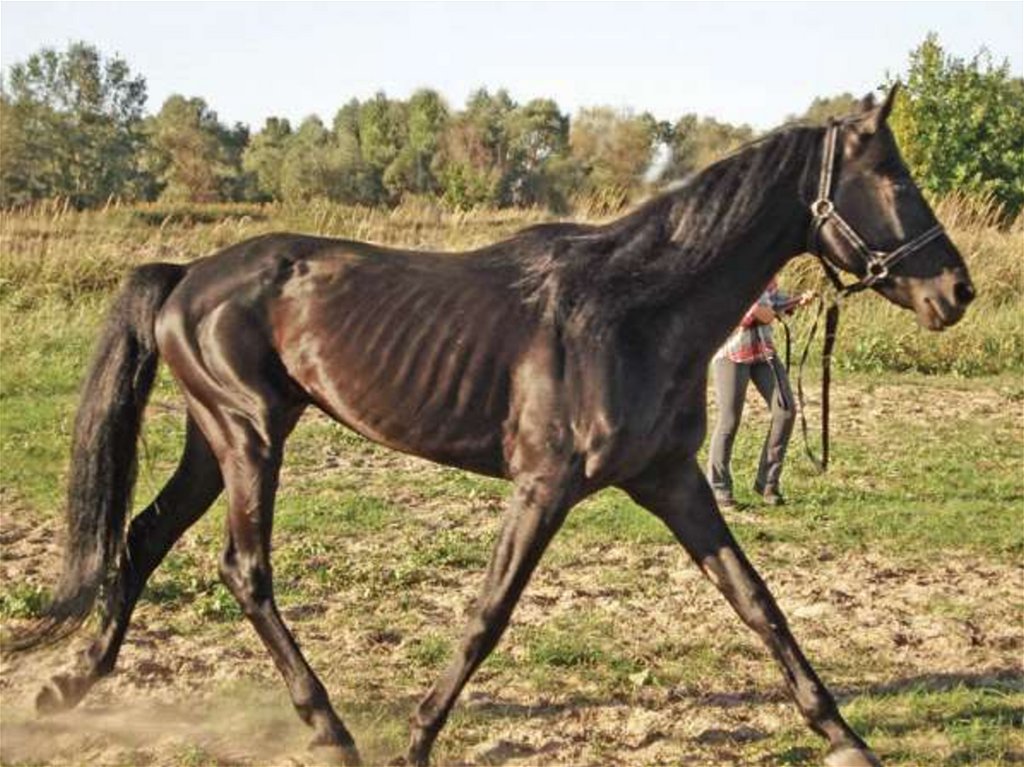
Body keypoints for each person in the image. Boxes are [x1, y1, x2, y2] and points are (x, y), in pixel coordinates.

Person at [707, 278, 815, 508]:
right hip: (732, 354)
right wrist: (766, 311)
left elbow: (773, 301)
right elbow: (754, 315)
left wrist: (796, 301)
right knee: (729, 420)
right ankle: (718, 487)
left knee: (785, 412)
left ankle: (768, 483)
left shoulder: (764, 272)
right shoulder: (730, 275)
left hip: (763, 351)